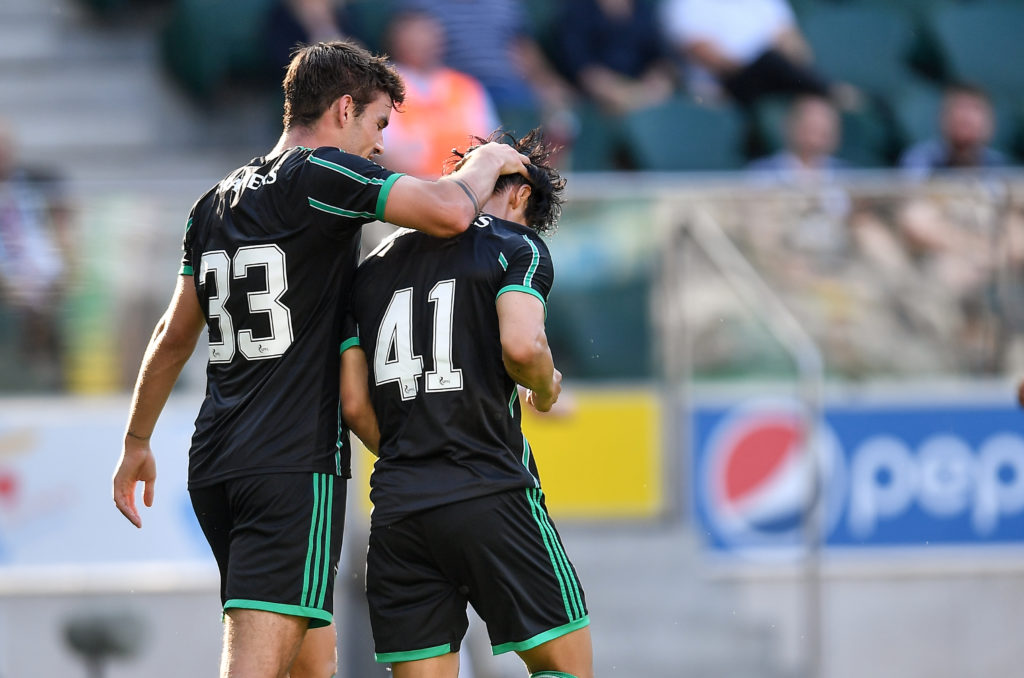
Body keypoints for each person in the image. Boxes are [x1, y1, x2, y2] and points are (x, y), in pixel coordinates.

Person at [111, 40, 530, 678]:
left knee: (310, 664)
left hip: (219, 463)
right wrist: (490, 158)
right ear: (342, 110)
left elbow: (174, 332)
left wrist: (137, 438)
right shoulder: (322, 175)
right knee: (254, 664)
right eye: (379, 124)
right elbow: (448, 212)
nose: (380, 146)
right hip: (291, 465)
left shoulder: (214, 202)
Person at [339, 129, 592, 678]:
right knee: (564, 667)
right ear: (521, 195)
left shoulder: (370, 268)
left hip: (400, 508)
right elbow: (524, 347)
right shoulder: (514, 245)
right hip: (489, 491)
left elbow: (354, 404)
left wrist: (417, 448)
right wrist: (546, 389)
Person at [377, 10, 501, 179]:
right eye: (414, 34)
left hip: (468, 188)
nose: (421, 42)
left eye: (427, 33)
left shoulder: (466, 86)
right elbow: (382, 154)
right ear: (396, 40)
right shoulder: (382, 87)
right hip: (408, 189)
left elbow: (491, 144)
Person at [660, 0, 842, 107]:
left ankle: (824, 92)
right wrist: (757, 62)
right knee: (770, 61)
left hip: (772, 75)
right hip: (723, 85)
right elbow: (704, 52)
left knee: (807, 99)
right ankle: (831, 92)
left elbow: (793, 42)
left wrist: (790, 60)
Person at [557, 0, 676, 115]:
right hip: (593, 104)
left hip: (642, 93)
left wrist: (657, 85)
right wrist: (627, 94)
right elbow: (584, 71)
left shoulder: (643, 9)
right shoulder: (577, 10)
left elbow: (659, 61)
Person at [899, 83, 1009, 180]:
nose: (965, 117)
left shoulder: (998, 164)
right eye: (959, 108)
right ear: (942, 119)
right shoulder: (921, 160)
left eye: (975, 109)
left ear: (990, 122)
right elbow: (913, 195)